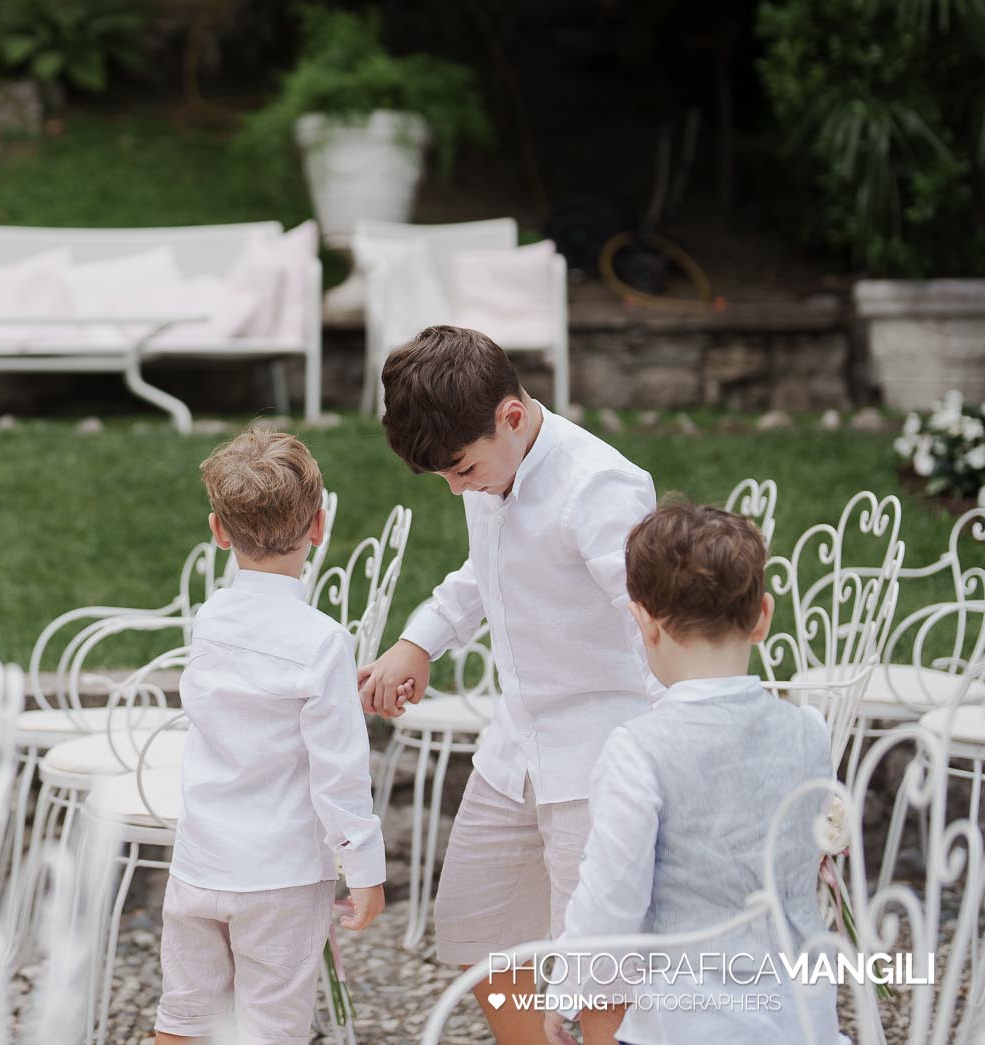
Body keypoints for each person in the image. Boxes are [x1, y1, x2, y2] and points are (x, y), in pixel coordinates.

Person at [359, 325, 657, 1044]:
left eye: (461, 469)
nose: (456, 487)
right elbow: (484, 570)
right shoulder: (492, 465)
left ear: (512, 416)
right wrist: (417, 641)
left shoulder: (601, 486)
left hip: (601, 758)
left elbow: (656, 625)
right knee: (478, 930)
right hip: (515, 746)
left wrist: (685, 754)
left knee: (601, 968)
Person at [546, 500, 840, 1045]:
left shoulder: (637, 750)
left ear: (643, 623)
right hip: (802, 1017)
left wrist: (569, 993)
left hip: (686, 1020)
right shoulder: (809, 730)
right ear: (762, 617)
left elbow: (611, 896)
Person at [155, 425, 386, 1044]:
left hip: (200, 862)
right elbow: (340, 770)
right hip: (281, 875)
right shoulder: (322, 641)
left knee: (184, 1017)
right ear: (318, 526)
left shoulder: (210, 621)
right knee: (271, 1028)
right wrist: (364, 868)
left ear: (219, 531)